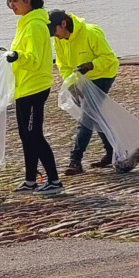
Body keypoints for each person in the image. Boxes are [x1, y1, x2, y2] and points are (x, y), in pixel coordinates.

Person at [4, 0, 63, 195]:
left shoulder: (36, 25)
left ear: (29, 1)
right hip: (24, 87)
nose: (12, 5)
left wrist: (17, 56)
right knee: (25, 135)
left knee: (34, 135)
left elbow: (35, 60)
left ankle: (55, 181)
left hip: (35, 87)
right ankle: (30, 180)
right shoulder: (26, 24)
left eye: (16, 1)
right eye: (10, 1)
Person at [48, 10, 120, 175]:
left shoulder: (90, 33)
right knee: (95, 115)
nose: (55, 36)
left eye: (55, 32)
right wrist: (71, 85)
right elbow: (63, 65)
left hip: (103, 75)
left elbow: (110, 59)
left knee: (86, 116)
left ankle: (75, 160)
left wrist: (91, 65)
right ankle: (112, 152)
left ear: (64, 24)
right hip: (82, 79)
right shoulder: (59, 41)